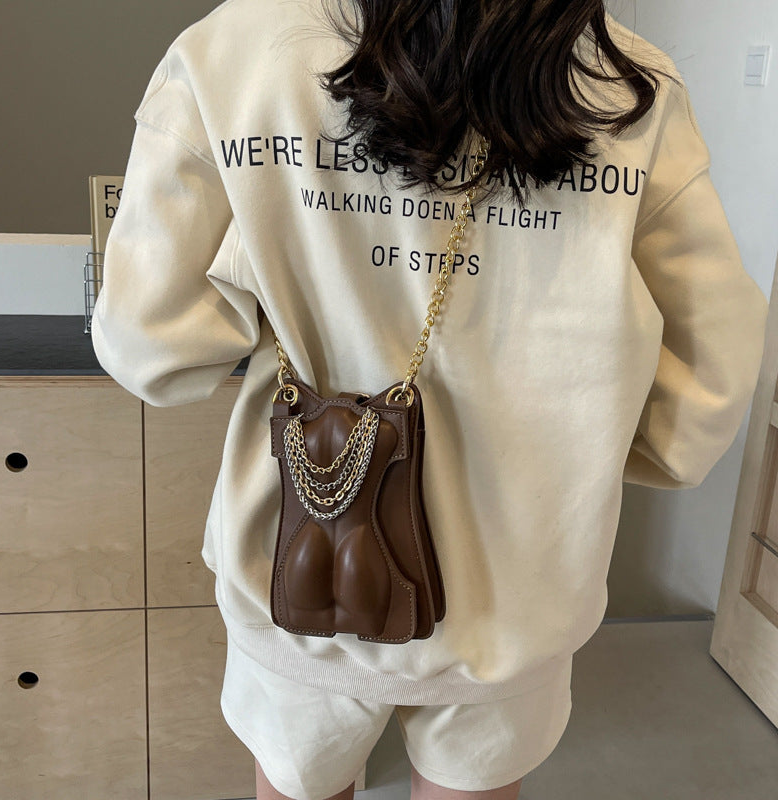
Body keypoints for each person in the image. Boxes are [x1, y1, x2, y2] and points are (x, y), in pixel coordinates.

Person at [90, 1, 769, 799]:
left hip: (298, 566)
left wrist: (277, 269)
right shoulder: (625, 83)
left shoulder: (231, 49)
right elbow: (710, 372)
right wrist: (598, 451)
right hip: (521, 581)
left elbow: (151, 345)